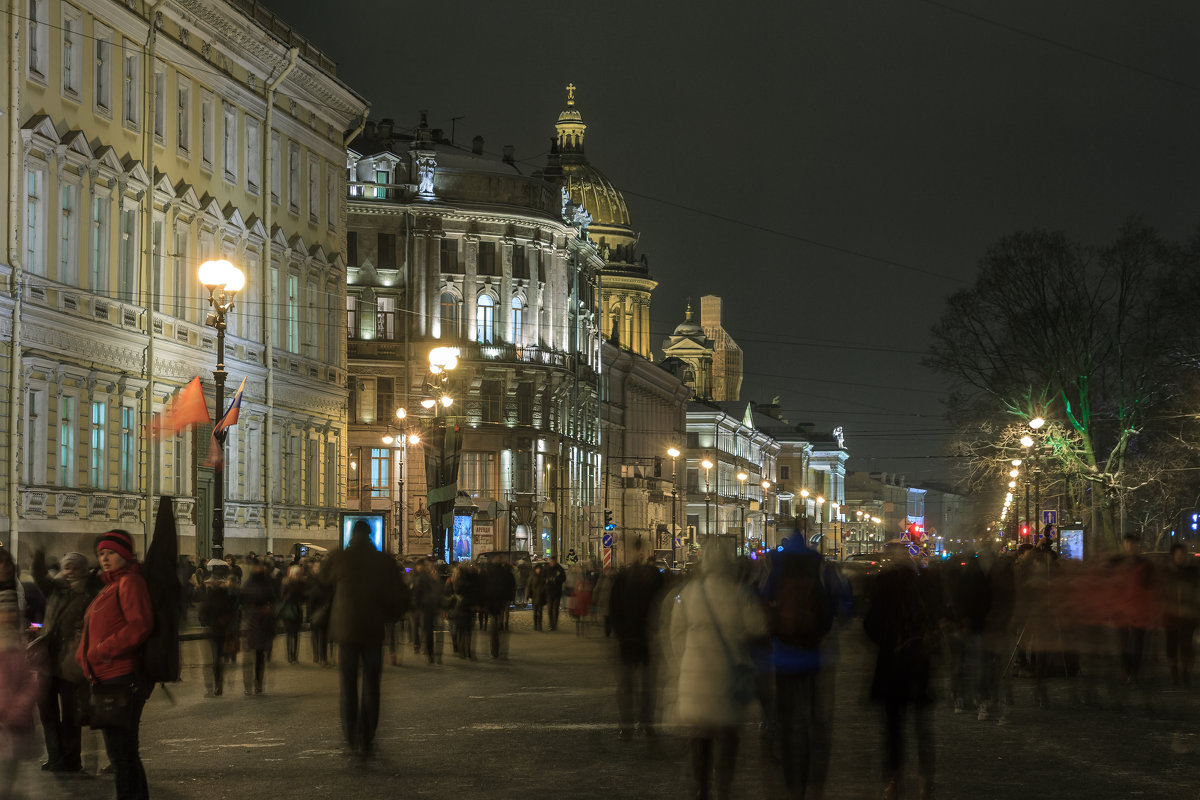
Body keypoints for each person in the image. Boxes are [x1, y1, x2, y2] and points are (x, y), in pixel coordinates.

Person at [670, 548, 768, 800]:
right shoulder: (737, 593)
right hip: (727, 678)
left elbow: (675, 634)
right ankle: (724, 788)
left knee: (699, 739)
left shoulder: (689, 594)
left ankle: (700, 789)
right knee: (727, 738)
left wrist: (687, 658)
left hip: (695, 678)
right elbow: (758, 626)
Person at [76, 529, 154, 800]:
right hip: (105, 676)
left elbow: (140, 625)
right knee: (123, 754)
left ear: (124, 554)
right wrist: (82, 656)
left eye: (111, 553)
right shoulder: (109, 586)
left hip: (120, 677)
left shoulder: (130, 582)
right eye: (101, 554)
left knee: (121, 755)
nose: (105, 558)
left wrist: (101, 650)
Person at [322, 521, 408, 757]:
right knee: (372, 685)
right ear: (370, 536)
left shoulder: (339, 558)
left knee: (348, 686)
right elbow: (399, 595)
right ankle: (367, 734)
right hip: (373, 630)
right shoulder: (383, 561)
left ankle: (350, 734)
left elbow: (320, 586)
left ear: (352, 535)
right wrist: (390, 617)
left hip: (345, 631)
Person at [764, 535, 838, 800]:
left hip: (783, 656)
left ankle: (789, 777)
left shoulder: (778, 568)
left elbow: (765, 602)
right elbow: (828, 608)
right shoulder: (815, 567)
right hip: (810, 655)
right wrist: (818, 635)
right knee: (808, 717)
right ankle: (806, 774)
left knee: (785, 717)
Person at [864, 557, 939, 800]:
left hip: (892, 667)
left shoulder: (884, 593)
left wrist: (887, 643)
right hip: (919, 667)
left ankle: (894, 782)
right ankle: (925, 782)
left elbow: (869, 626)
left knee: (893, 728)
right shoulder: (923, 591)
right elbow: (934, 623)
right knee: (922, 728)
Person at [31, 549, 97, 774]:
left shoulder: (87, 594)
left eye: (75, 568)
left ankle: (71, 760)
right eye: (66, 567)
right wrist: (39, 554)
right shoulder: (55, 589)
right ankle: (55, 756)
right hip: (47, 661)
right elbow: (40, 577)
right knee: (47, 713)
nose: (69, 572)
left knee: (70, 716)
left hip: (70, 664)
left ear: (83, 571)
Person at [609, 544, 664, 739]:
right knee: (638, 686)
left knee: (632, 686)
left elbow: (613, 608)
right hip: (638, 639)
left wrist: (618, 632)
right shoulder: (649, 578)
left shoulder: (626, 578)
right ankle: (640, 724)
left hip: (636, 639)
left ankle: (631, 725)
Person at [0, 589, 40, 796]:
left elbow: (31, 680)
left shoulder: (20, 647)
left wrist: (19, 707)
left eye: (10, 612)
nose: (6, 616)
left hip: (14, 722)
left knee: (8, 773)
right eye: (2, 611)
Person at [197, 559, 240, 697]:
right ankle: (218, 684)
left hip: (214, 630)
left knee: (215, 658)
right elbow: (231, 611)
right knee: (218, 657)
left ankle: (216, 685)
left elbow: (203, 612)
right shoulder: (224, 596)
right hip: (222, 629)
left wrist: (205, 622)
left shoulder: (210, 597)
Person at [1162, 543, 1198, 686]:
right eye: (1177, 555)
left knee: (1187, 646)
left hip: (1188, 615)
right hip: (1171, 615)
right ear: (1173, 556)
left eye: (1182, 554)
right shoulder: (1167, 573)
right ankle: (1174, 673)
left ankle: (1185, 673)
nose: (1180, 557)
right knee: (1172, 646)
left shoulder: (1191, 572)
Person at [278, 565, 306, 664]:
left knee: (296, 634)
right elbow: (282, 597)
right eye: (296, 574)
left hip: (298, 610)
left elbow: (304, 597)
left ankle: (295, 656)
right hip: (289, 610)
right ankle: (290, 656)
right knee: (290, 633)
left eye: (299, 574)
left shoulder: (301, 584)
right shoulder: (286, 583)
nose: (298, 576)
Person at [545, 556, 567, 631]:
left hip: (557, 591)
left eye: (553, 561)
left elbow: (564, 578)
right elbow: (543, 577)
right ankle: (551, 623)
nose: (552, 563)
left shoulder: (559, 569)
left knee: (556, 608)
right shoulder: (547, 568)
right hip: (549, 591)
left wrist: (557, 579)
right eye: (551, 561)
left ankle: (554, 624)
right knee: (549, 609)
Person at [527, 563, 548, 631]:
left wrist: (546, 595)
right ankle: (535, 625)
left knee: (540, 611)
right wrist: (528, 595)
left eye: (539, 569)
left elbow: (545, 587)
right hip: (535, 596)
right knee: (535, 611)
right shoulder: (532, 577)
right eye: (537, 569)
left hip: (541, 596)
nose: (538, 570)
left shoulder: (543, 577)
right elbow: (529, 586)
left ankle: (540, 625)